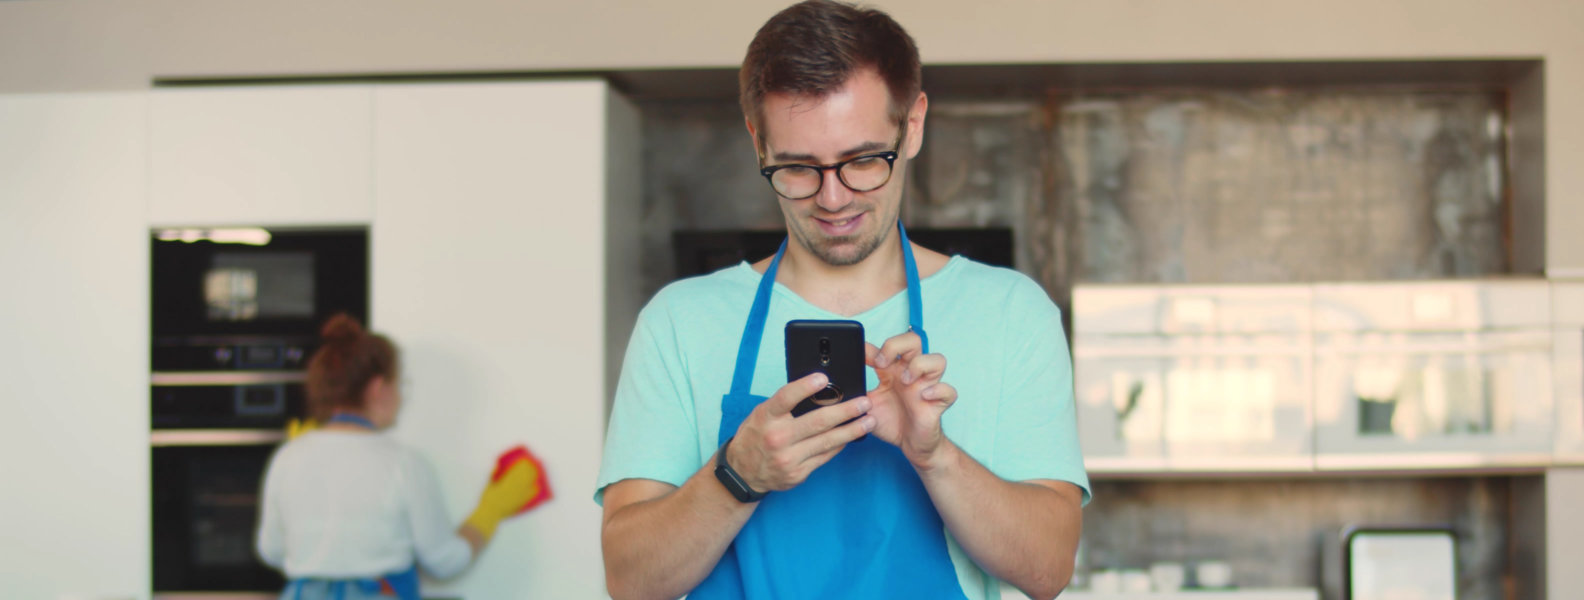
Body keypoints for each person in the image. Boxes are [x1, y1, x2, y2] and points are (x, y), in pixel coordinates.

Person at [595, 2, 1088, 599]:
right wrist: (739, 473)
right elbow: (629, 581)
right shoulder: (680, 321)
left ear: (912, 127)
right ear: (758, 143)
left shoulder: (1011, 313)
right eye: (799, 167)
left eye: (861, 160)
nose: (833, 199)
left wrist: (934, 457)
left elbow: (1047, 571)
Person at [256, 314, 541, 600]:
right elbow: (445, 561)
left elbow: (272, 551)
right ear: (379, 388)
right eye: (400, 384)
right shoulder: (401, 464)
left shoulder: (288, 458)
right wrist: (491, 509)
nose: (402, 398)